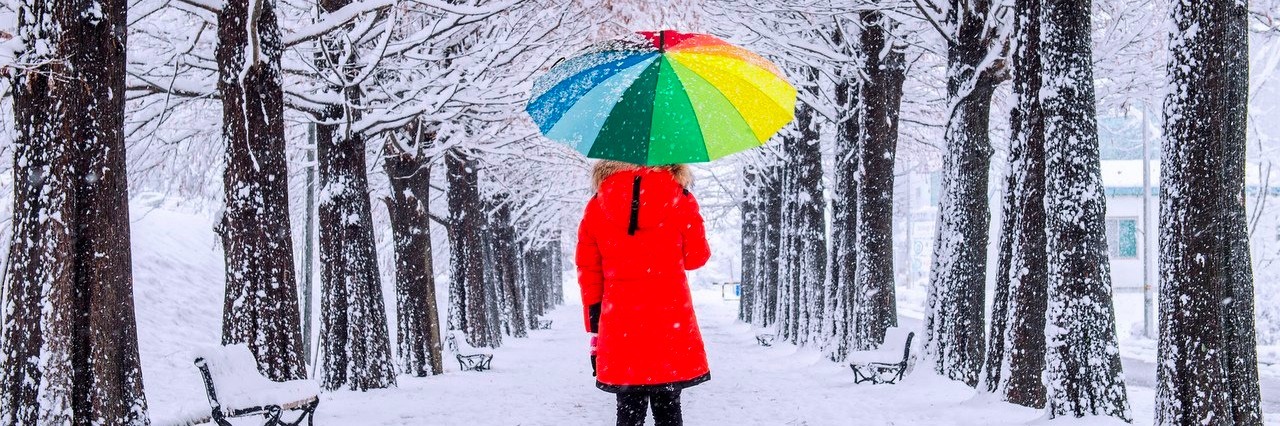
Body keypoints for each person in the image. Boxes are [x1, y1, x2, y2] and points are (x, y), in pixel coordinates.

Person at [577, 160, 712, 426]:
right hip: (669, 320)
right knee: (669, 407)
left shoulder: (597, 205)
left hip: (620, 322)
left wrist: (594, 326)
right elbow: (696, 258)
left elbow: (588, 270)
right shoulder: (680, 198)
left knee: (628, 408)